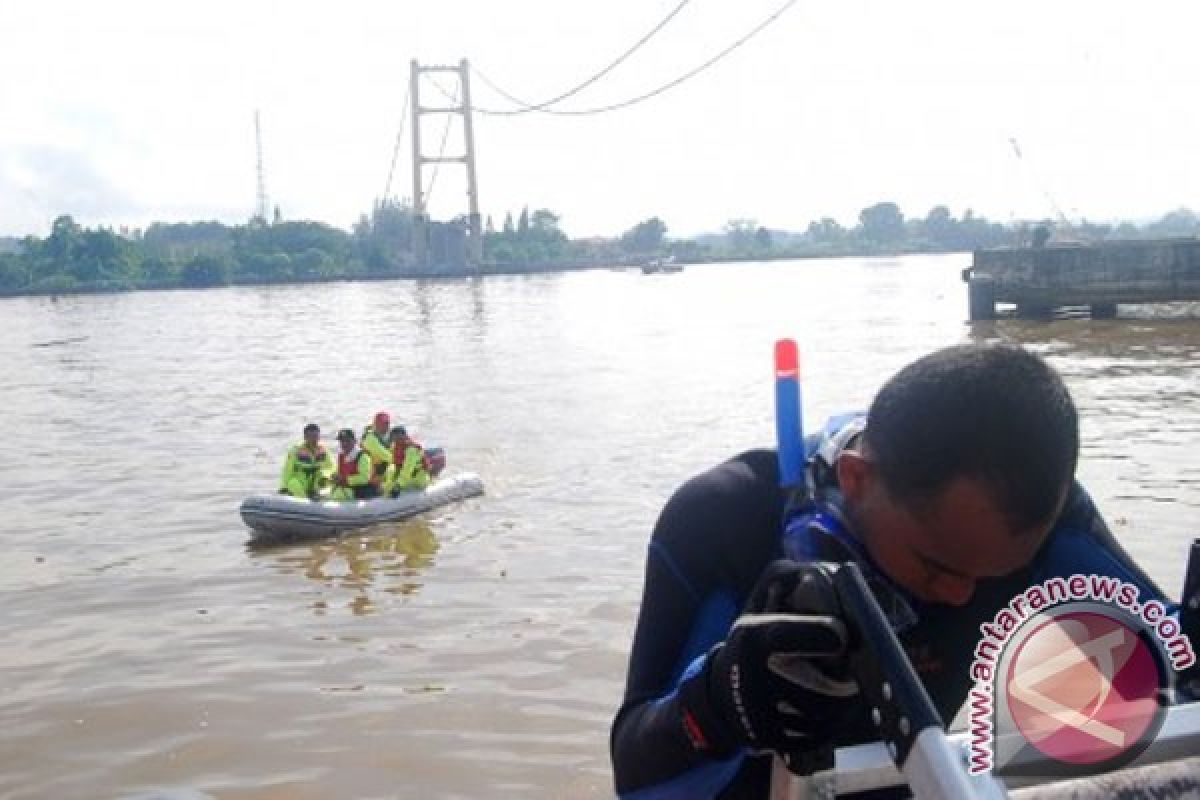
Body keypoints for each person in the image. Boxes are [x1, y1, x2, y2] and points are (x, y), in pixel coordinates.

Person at [610, 343, 1174, 799]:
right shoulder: (725, 518)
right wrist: (720, 700)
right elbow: (637, 776)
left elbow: (1174, 663)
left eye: (1001, 574)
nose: (961, 596)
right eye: (935, 567)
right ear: (856, 479)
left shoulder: (1037, 517)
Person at [278, 423, 332, 500]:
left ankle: (320, 499)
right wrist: (283, 487)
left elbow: (331, 467)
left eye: (316, 437)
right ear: (305, 437)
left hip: (316, 482)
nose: (314, 440)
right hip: (300, 483)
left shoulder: (323, 450)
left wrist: (325, 476)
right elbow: (287, 471)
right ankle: (303, 500)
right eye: (311, 437)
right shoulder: (296, 450)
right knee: (293, 482)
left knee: (329, 483)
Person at [330, 428, 380, 500]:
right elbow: (340, 472)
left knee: (338, 495)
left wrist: (345, 480)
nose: (344, 444)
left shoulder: (363, 456)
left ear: (354, 441)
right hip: (347, 487)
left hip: (362, 489)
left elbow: (364, 478)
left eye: (347, 440)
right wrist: (334, 477)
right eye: (342, 441)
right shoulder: (341, 456)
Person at [388, 424, 432, 494]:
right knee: (386, 487)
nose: (396, 440)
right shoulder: (396, 447)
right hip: (405, 479)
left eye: (398, 437)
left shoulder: (412, 450)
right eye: (394, 438)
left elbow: (407, 470)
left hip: (418, 480)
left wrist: (398, 485)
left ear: (404, 436)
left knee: (394, 491)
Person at [361, 411, 394, 490]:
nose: (386, 427)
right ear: (375, 424)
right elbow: (388, 456)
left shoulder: (386, 437)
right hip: (370, 476)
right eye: (382, 424)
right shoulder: (370, 439)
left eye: (387, 424)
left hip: (380, 472)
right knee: (394, 467)